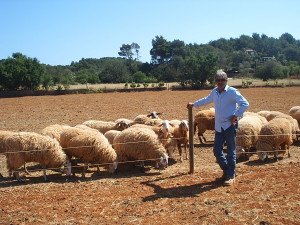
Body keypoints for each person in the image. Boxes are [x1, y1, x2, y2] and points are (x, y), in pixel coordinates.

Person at [187, 70, 249, 186]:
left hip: (230, 126)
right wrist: (194, 104)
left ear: (226, 81)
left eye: (222, 80)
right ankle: (228, 172)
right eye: (218, 80)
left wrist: (236, 115)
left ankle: (230, 176)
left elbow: (245, 104)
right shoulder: (215, 92)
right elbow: (206, 100)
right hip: (219, 126)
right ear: (215, 81)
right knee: (216, 150)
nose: (220, 82)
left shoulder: (232, 92)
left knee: (231, 151)